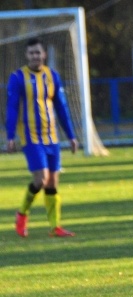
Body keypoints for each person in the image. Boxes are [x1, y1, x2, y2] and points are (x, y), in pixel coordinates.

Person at [6, 37, 78, 238]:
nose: (35, 56)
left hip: (51, 137)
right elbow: (12, 108)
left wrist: (71, 136)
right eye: (31, 53)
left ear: (44, 54)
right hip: (30, 137)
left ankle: (55, 227)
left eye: (38, 52)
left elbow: (61, 108)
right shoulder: (18, 78)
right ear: (26, 55)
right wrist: (10, 136)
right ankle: (21, 214)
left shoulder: (52, 76)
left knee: (52, 182)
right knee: (41, 179)